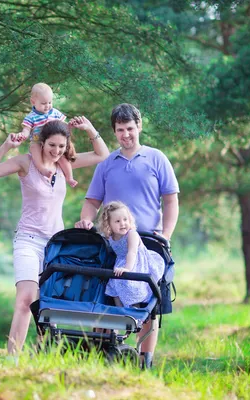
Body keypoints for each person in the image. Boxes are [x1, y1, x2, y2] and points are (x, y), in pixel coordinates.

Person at [0, 117, 110, 355]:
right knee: (26, 299)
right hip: (28, 241)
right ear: (41, 142)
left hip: (54, 245)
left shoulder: (63, 164)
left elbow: (102, 154)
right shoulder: (25, 163)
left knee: (48, 303)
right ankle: (12, 359)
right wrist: (7, 146)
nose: (56, 151)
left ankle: (42, 355)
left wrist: (90, 128)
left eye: (61, 146)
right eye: (52, 146)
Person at [75, 103, 179, 368]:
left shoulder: (157, 158)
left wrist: (166, 234)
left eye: (130, 128)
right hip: (113, 246)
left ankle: (145, 360)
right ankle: (106, 354)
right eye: (120, 130)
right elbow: (92, 200)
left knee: (149, 306)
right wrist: (86, 219)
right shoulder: (107, 163)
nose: (126, 135)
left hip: (150, 243)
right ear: (114, 131)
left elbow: (170, 201)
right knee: (107, 298)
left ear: (139, 126)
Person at [97, 201, 164, 307]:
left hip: (138, 262)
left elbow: (132, 253)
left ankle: (134, 312)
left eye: (125, 219)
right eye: (117, 221)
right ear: (108, 224)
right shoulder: (110, 237)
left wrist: (127, 269)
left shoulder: (132, 234)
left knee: (131, 284)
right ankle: (120, 312)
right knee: (114, 285)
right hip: (122, 262)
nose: (122, 223)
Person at [18, 83, 78, 187]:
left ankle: (69, 177)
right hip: (37, 141)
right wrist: (23, 135)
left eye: (50, 102)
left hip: (53, 142)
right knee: (34, 148)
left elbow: (63, 127)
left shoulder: (54, 113)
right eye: (44, 103)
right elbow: (26, 129)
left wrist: (70, 125)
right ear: (33, 102)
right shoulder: (31, 117)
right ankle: (42, 168)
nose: (47, 106)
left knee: (62, 158)